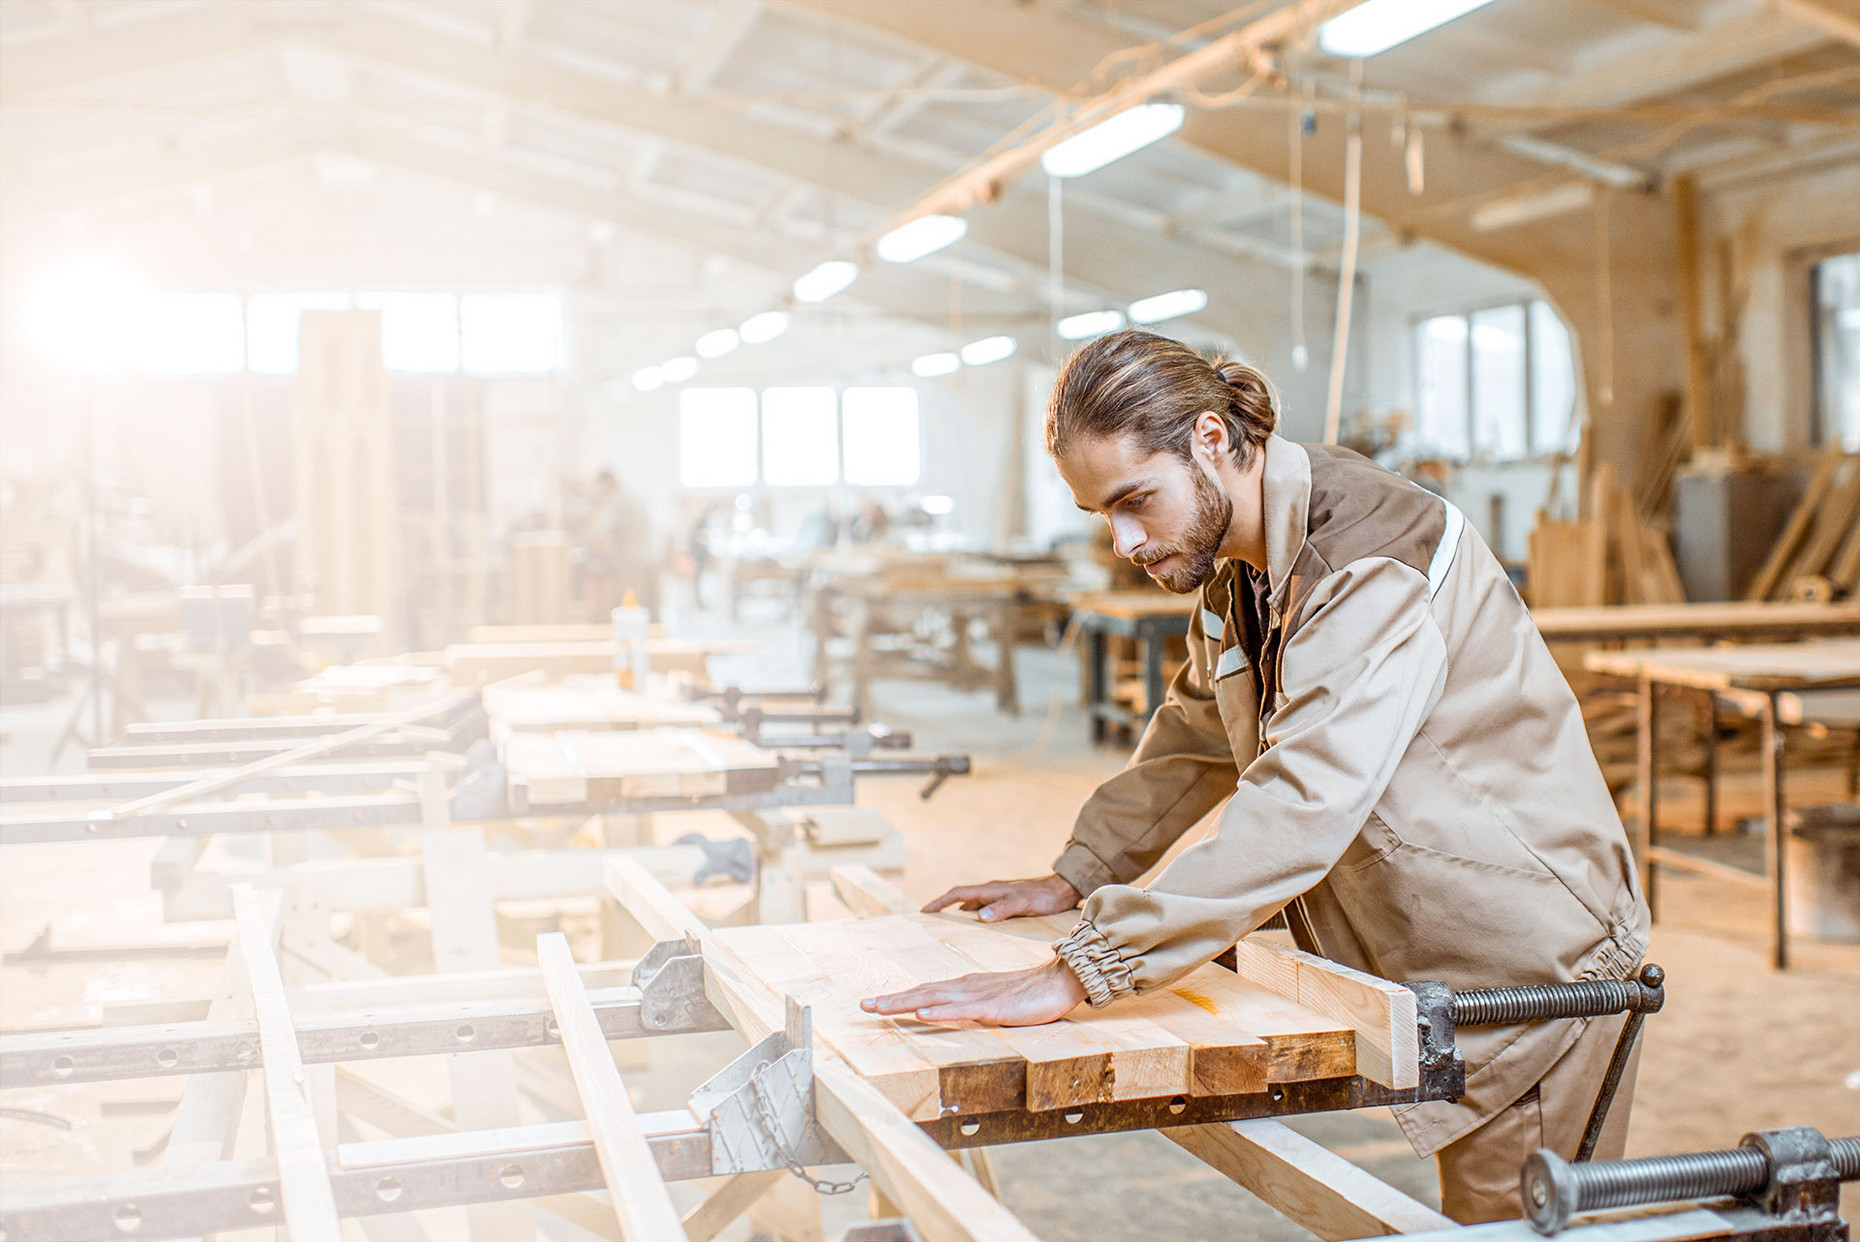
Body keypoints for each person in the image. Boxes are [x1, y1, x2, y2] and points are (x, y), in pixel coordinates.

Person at [862, 329, 1650, 1223]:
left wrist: (1086, 965)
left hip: (1535, 956)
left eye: (1133, 501)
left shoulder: (1366, 561)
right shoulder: (1242, 561)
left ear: (1208, 439)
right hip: (1438, 937)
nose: (1122, 541)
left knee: (1505, 1221)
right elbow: (1197, 728)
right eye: (1101, 515)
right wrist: (1078, 872)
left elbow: (1302, 804)